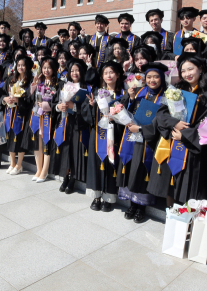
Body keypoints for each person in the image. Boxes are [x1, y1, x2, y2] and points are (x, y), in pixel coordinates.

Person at [147, 54, 207, 207]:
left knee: (188, 185)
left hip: (192, 147)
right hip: (173, 142)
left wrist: (185, 135)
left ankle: (186, 221)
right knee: (171, 184)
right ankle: (171, 217)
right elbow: (161, 114)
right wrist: (175, 123)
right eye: (184, 70)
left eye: (191, 69)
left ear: (200, 69)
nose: (187, 73)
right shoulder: (176, 90)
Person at [117, 62, 166, 223]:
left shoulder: (166, 96)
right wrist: (131, 98)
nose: (152, 80)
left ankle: (141, 207)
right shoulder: (138, 91)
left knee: (143, 169)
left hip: (150, 140)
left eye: (156, 77)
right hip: (132, 138)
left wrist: (142, 130)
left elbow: (163, 121)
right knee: (132, 167)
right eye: (149, 77)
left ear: (162, 78)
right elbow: (125, 112)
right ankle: (132, 204)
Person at [82, 61, 128, 212]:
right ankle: (96, 196)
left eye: (112, 72)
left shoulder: (123, 95)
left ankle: (108, 197)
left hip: (115, 135)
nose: (109, 75)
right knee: (96, 162)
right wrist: (91, 106)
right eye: (106, 73)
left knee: (111, 164)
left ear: (118, 74)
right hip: (98, 135)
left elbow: (128, 117)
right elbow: (87, 116)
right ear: (102, 76)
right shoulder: (97, 93)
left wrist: (115, 117)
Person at [51, 58, 90, 194]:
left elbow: (88, 109)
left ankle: (73, 178)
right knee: (65, 150)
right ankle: (65, 176)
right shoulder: (64, 86)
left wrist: (74, 107)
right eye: (72, 70)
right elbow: (54, 103)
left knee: (75, 151)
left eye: (77, 70)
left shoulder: (87, 88)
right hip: (64, 123)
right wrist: (58, 106)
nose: (74, 73)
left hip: (78, 126)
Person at [27, 57, 60, 183]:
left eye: (49, 68)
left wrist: (48, 106)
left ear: (54, 69)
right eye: (44, 67)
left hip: (49, 117)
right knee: (38, 143)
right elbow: (30, 100)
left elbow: (58, 101)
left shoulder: (58, 83)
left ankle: (45, 170)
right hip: (37, 116)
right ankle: (38, 169)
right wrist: (34, 86)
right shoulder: (39, 81)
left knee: (46, 142)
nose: (46, 70)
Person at [1, 56, 34, 175]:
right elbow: (2, 94)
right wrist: (5, 99)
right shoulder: (11, 79)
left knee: (19, 138)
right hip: (9, 113)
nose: (20, 67)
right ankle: (12, 163)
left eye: (23, 65)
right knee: (10, 137)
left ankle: (19, 165)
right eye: (19, 65)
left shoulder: (30, 81)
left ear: (27, 67)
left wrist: (19, 101)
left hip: (21, 114)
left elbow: (30, 100)